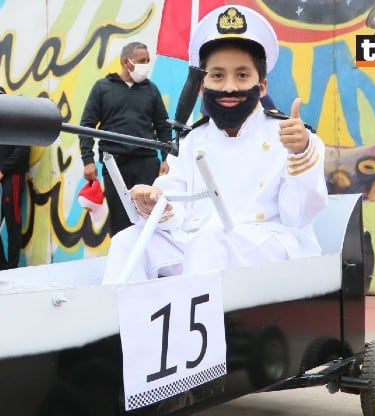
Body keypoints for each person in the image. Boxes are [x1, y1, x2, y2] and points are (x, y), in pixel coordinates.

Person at [102, 5, 328, 284]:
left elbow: (298, 216)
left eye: (242, 75)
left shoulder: (294, 138)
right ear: (201, 86)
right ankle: (119, 324)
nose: (229, 87)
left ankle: (190, 327)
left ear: (262, 86)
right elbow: (175, 205)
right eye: (218, 76)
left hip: (272, 250)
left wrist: (301, 152)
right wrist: (155, 203)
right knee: (128, 241)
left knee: (210, 239)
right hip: (200, 246)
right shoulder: (191, 140)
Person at [78, 41, 173, 236]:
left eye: (147, 60)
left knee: (152, 218)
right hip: (115, 164)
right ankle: (123, 264)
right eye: (141, 61)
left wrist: (166, 158)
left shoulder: (151, 90)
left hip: (147, 163)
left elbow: (163, 125)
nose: (145, 64)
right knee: (121, 222)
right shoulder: (102, 88)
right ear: (125, 62)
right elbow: (86, 125)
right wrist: (87, 160)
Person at [0, 85, 31, 271]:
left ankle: (12, 268)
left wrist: (2, 170)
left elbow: (23, 149)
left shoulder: (17, 119)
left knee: (13, 225)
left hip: (12, 179)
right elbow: (2, 152)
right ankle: (3, 267)